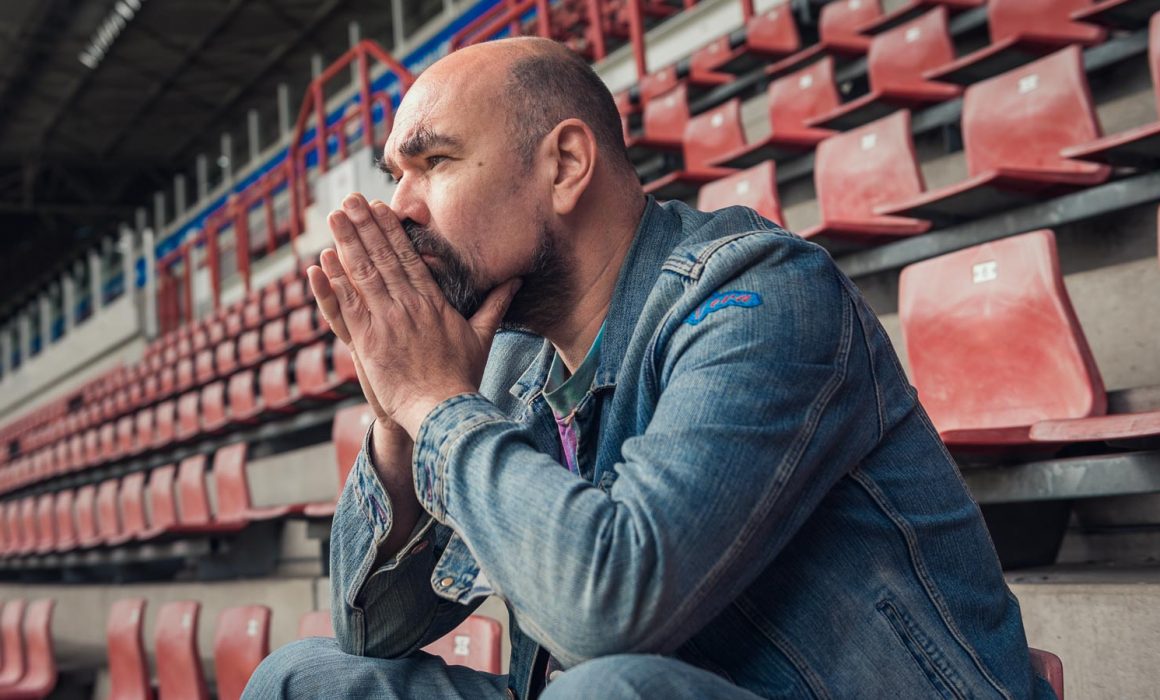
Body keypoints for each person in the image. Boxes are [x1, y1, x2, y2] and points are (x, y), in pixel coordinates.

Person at [244, 37, 1052, 699]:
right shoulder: (510, 358)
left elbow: (611, 612)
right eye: (396, 175)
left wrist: (435, 400)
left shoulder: (761, 294)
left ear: (564, 166)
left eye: (435, 163)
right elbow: (371, 628)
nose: (401, 208)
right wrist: (396, 411)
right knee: (305, 679)